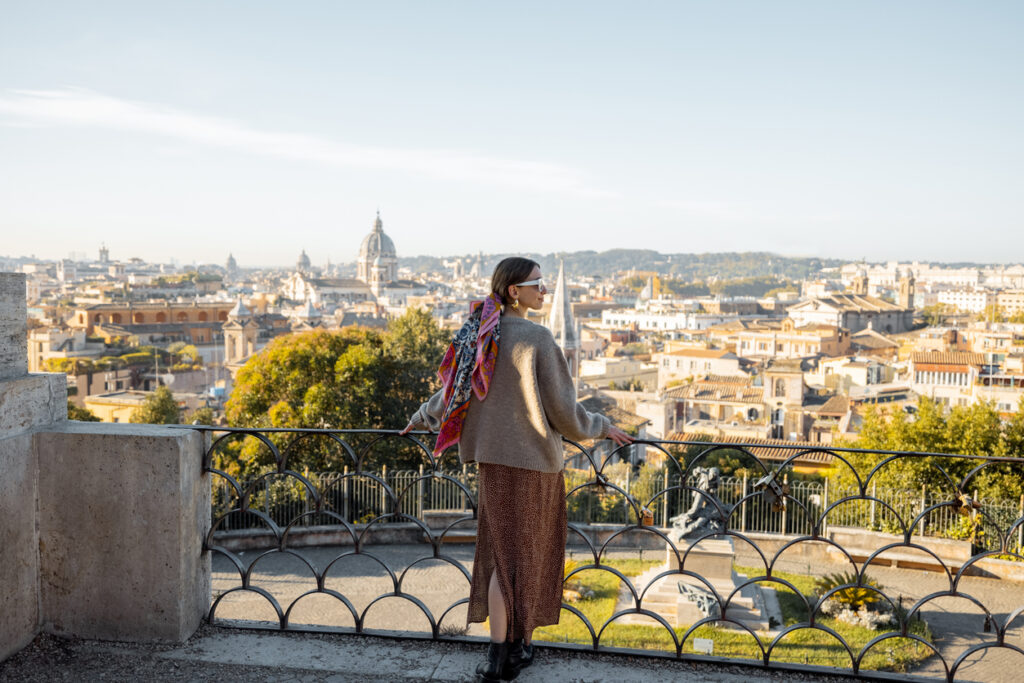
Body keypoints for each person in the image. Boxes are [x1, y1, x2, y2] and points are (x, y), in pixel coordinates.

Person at [402, 257, 633, 681]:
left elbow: (454, 393)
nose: (543, 291)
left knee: (501, 557)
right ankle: (510, 653)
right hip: (534, 466)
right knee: (522, 559)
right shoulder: (538, 340)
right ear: (514, 290)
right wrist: (601, 427)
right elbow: (565, 415)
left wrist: (421, 415)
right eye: (537, 284)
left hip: (492, 462)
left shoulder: (478, 332)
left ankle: (502, 655)